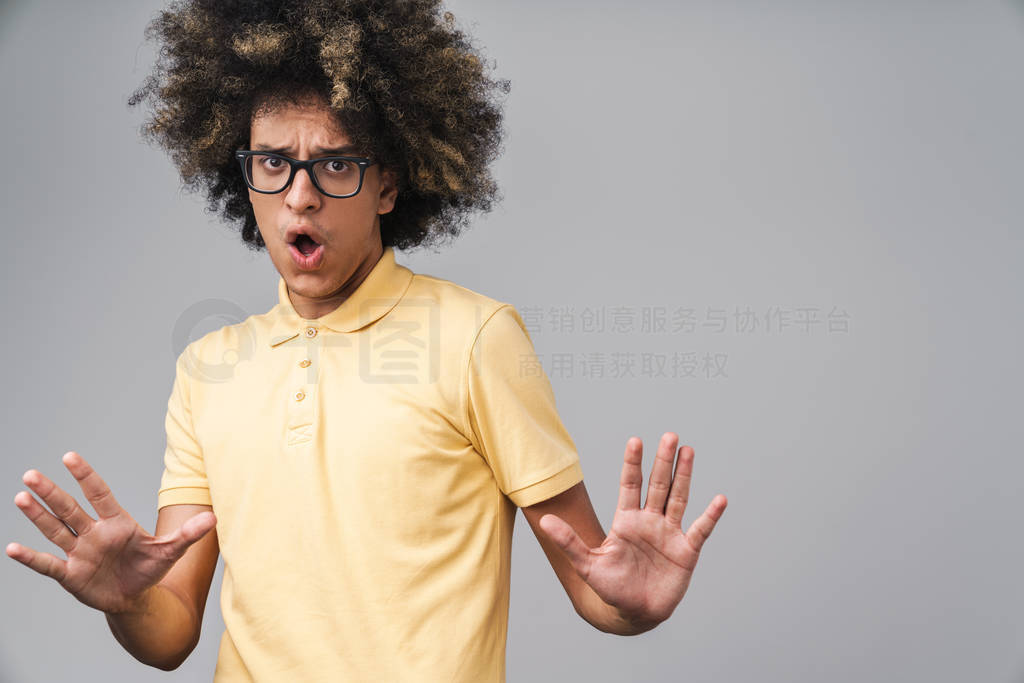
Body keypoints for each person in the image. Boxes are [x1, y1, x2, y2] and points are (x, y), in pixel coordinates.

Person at [6, 1, 728, 680]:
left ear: (387, 184)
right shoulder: (208, 367)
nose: (300, 194)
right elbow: (171, 630)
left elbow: (594, 585)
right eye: (272, 162)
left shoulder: (477, 338)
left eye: (336, 164)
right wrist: (129, 599)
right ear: (246, 177)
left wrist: (628, 603)